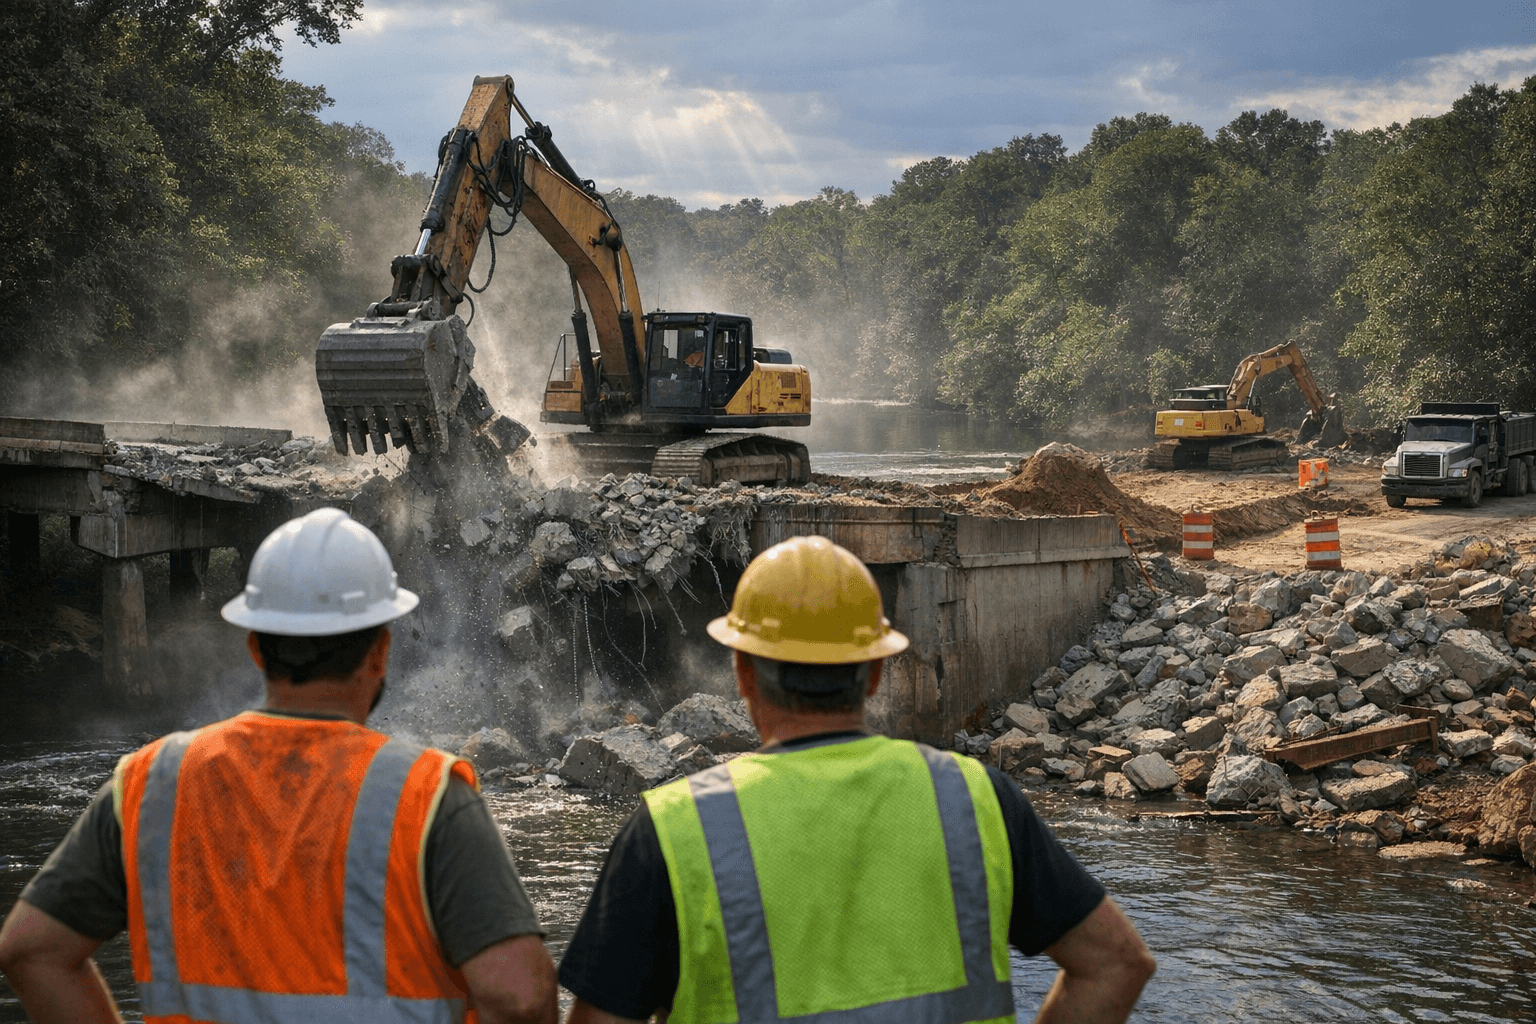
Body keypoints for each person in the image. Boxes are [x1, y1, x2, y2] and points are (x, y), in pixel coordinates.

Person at [558, 535, 1155, 1024]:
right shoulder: (974, 799)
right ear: (873, 674)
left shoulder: (673, 831)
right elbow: (1118, 964)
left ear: (741, 672)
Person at [0, 507, 557, 1024]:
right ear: (381, 651)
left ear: (255, 648)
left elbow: (31, 951)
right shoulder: (429, 796)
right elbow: (521, 999)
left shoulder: (152, 783)